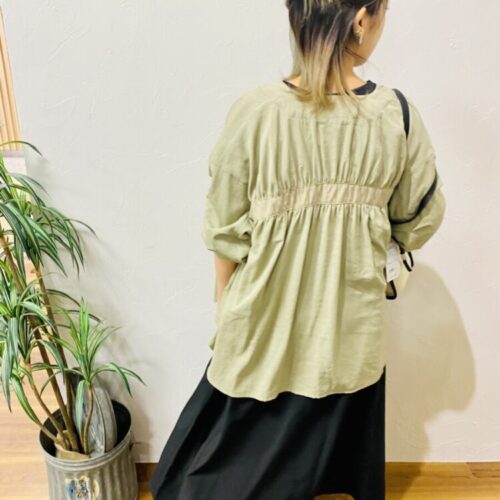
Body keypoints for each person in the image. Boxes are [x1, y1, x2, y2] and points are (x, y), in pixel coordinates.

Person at [149, 0, 446, 498]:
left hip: (263, 325)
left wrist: (225, 305)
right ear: (361, 19)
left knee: (209, 471)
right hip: (347, 329)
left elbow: (223, 228)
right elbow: (420, 218)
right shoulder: (395, 116)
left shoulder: (255, 111)